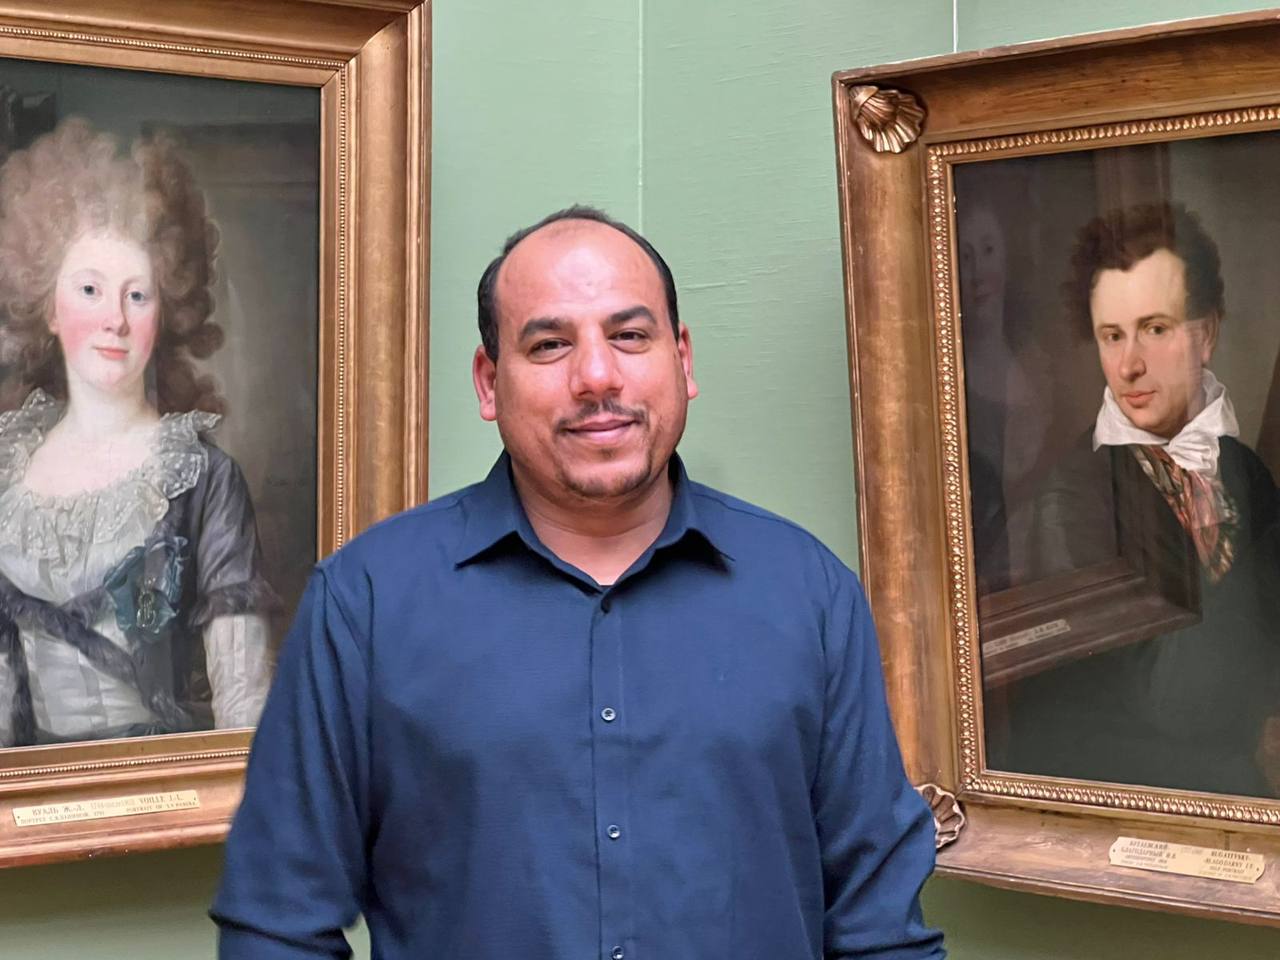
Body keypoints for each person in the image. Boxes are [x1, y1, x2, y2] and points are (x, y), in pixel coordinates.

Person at [212, 206, 944, 958]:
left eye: (629, 336)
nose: (597, 377)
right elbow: (277, 925)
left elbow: (882, 934)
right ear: (489, 382)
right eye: (550, 344)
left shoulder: (810, 595)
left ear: (682, 361)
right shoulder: (364, 603)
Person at [0, 118, 275, 746]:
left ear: (167, 311)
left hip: (167, 789)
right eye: (90, 290)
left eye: (138, 296)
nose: (115, 321)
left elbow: (245, 707)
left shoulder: (205, 479)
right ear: (48, 307)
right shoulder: (6, 478)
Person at [991, 202, 1280, 797]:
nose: (1129, 366)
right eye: (1112, 336)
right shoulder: (1071, 502)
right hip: (1139, 799)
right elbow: (1181, 707)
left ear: (1206, 334)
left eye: (1155, 328)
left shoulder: (1240, 469)